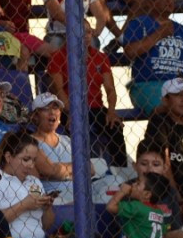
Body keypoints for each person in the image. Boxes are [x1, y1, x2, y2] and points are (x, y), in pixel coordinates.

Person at [47, 23, 129, 167]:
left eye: (88, 32)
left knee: (115, 127)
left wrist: (111, 111)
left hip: (95, 106)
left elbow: (110, 89)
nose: (85, 36)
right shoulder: (58, 56)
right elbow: (58, 90)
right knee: (71, 129)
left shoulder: (100, 57)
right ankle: (74, 169)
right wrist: (71, 113)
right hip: (68, 107)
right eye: (81, 32)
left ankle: (119, 171)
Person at [122, 0, 183, 115]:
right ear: (151, 2)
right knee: (166, 109)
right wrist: (159, 34)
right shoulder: (138, 23)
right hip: (148, 84)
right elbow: (130, 52)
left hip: (178, 86)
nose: (169, 1)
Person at [28, 93, 75, 186]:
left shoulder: (67, 140)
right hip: (55, 193)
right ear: (35, 116)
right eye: (46, 108)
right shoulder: (29, 142)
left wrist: (61, 172)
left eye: (55, 108)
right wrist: (77, 168)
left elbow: (91, 169)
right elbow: (51, 171)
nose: (52, 112)